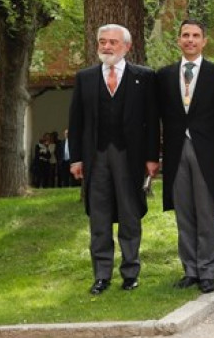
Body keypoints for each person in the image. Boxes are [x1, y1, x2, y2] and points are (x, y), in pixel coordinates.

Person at [67, 24, 160, 295]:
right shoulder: (85, 78)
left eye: (113, 43)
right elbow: (76, 122)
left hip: (129, 157)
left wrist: (152, 157)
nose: (106, 47)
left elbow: (152, 122)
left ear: (126, 47)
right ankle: (101, 275)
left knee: (130, 215)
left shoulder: (143, 77)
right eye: (102, 42)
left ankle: (130, 272)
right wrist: (76, 158)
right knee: (99, 217)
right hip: (96, 156)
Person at [156, 19, 214, 294]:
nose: (190, 39)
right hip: (176, 152)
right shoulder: (163, 76)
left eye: (196, 35)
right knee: (184, 213)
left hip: (206, 152)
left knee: (206, 213)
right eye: (185, 35)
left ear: (204, 41)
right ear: (179, 40)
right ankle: (190, 270)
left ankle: (209, 270)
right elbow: (157, 118)